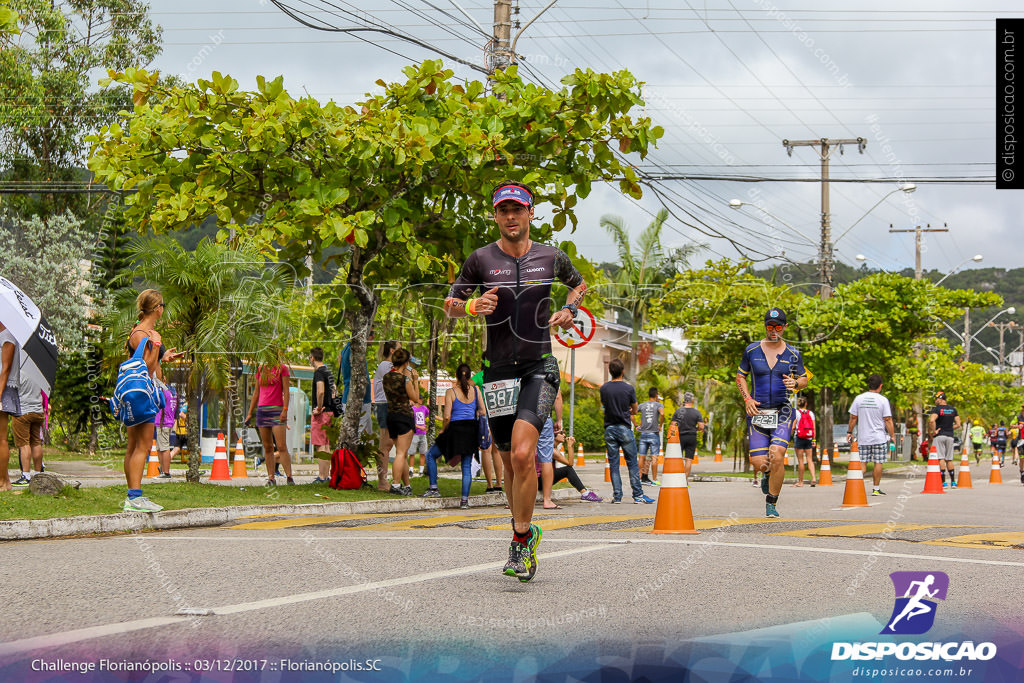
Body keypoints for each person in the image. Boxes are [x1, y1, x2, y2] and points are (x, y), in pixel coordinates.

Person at [444, 179, 586, 582]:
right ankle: (524, 530)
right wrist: (472, 305)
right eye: (503, 210)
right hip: (498, 372)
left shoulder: (551, 257)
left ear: (530, 213)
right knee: (509, 463)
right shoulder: (481, 260)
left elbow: (579, 285)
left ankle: (520, 541)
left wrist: (569, 309)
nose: (511, 217)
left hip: (539, 365)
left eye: (517, 210)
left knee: (524, 455)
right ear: (495, 216)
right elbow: (450, 304)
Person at [736, 307, 810, 518]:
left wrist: (795, 382)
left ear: (785, 327)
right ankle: (767, 475)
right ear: (765, 326)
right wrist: (747, 399)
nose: (774, 330)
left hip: (783, 412)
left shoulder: (794, 354)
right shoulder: (751, 350)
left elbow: (804, 379)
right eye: (770, 326)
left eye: (778, 326)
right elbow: (740, 377)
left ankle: (771, 502)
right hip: (758, 413)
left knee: (777, 455)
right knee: (760, 463)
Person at [122, 290, 183, 511]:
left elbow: (151, 362)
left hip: (138, 393)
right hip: (142, 394)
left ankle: (132, 495)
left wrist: (164, 356)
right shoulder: (141, 334)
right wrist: (156, 346)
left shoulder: (146, 332)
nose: (163, 310)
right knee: (142, 445)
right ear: (157, 308)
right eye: (163, 306)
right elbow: (145, 367)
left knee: (133, 446)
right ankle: (134, 497)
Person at [421, 363, 484, 507]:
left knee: (431, 455)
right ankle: (464, 501)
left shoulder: (451, 392)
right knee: (466, 466)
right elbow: (483, 411)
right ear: (469, 376)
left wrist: (443, 430)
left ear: (456, 375)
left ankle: (433, 487)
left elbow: (447, 416)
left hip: (454, 430)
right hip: (471, 430)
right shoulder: (476, 390)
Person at [601, 358, 654, 505]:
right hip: (624, 427)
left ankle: (617, 496)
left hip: (609, 429)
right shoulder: (628, 389)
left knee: (614, 464)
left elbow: (605, 406)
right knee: (632, 463)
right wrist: (629, 409)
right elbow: (635, 409)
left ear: (610, 371)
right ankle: (638, 495)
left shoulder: (604, 388)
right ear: (623, 371)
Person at [246, 354, 294, 486]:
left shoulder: (282, 369)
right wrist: (250, 413)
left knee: (281, 445)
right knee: (267, 447)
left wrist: (285, 409)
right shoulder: (261, 369)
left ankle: (289, 477)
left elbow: (286, 390)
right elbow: (256, 392)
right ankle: (271, 478)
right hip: (262, 411)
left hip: (277, 410)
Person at [339, 338, 380, 487]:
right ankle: (354, 475)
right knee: (358, 439)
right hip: (358, 400)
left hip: (358, 398)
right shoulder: (354, 350)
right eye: (372, 335)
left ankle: (359, 475)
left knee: (366, 439)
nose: (373, 339)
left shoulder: (347, 348)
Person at [847, 374, 895, 496]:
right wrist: (892, 435)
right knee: (878, 462)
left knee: (862, 463)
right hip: (879, 438)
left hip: (863, 438)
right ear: (880, 386)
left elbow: (853, 417)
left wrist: (849, 432)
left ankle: (855, 488)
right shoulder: (883, 400)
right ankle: (876, 488)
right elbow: (888, 419)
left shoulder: (859, 398)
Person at [382, 348, 420, 496]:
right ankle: (396, 485)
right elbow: (415, 398)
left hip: (391, 416)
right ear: (406, 362)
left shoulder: (386, 377)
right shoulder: (406, 380)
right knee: (401, 453)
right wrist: (415, 381)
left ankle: (406, 485)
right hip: (404, 416)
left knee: (401, 453)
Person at [539, 434, 602, 503]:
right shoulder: (551, 450)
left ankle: (585, 493)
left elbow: (570, 463)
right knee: (568, 470)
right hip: (539, 481)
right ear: (553, 436)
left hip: (543, 479)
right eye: (561, 433)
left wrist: (571, 446)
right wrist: (569, 446)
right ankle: (585, 493)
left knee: (567, 469)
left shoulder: (550, 447)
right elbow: (570, 463)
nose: (564, 435)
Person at [373, 340, 400, 486]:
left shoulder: (391, 366)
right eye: (399, 349)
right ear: (391, 350)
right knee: (385, 444)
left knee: (389, 443)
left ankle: (385, 479)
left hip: (390, 405)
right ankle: (382, 480)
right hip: (384, 405)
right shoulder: (386, 366)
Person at [473, 368, 503, 493]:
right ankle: (497, 483)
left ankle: (492, 484)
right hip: (498, 414)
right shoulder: (499, 373)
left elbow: (466, 385)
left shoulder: (480, 376)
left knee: (487, 450)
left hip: (488, 415)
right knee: (494, 450)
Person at [310, 347, 335, 483]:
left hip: (322, 412)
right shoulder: (328, 372)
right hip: (330, 411)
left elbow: (320, 391)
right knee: (326, 445)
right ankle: (326, 475)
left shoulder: (319, 372)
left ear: (312, 358)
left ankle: (321, 476)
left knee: (320, 445)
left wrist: (319, 408)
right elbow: (334, 391)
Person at [537, 389, 565, 509]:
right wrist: (559, 419)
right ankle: (547, 500)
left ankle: (518, 498)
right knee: (546, 459)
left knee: (525, 457)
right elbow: (557, 397)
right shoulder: (550, 372)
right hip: (543, 416)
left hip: (523, 417)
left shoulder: (522, 371)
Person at [927, 392, 960, 488]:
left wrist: (934, 431)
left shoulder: (937, 409)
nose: (935, 401)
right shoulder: (953, 409)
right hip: (950, 436)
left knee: (941, 458)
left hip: (940, 436)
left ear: (940, 399)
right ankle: (953, 482)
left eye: (936, 399)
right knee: (949, 459)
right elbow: (958, 424)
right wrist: (949, 428)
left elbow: (932, 420)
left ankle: (944, 482)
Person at [668, 391, 705, 478]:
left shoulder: (678, 411)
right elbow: (701, 426)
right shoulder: (696, 412)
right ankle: (685, 480)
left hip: (680, 437)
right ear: (692, 400)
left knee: (678, 458)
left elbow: (673, 425)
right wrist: (696, 428)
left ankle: (677, 479)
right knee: (688, 459)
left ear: (684, 400)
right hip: (691, 436)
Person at [637, 387, 664, 486]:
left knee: (641, 457)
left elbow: (632, 412)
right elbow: (662, 414)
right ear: (656, 395)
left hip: (643, 433)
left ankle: (639, 478)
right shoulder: (658, 405)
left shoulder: (642, 405)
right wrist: (660, 425)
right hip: (654, 433)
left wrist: (637, 425)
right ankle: (654, 479)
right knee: (654, 458)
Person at [154, 384, 177, 478]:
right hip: (166, 421)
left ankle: (166, 472)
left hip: (163, 422)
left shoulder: (163, 391)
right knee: (160, 448)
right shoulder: (173, 392)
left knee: (164, 448)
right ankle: (162, 469)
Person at [792, 396, 817, 487]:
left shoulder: (796, 413)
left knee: (801, 460)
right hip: (809, 438)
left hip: (799, 438)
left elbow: (793, 426)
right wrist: (814, 439)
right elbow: (813, 427)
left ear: (798, 404)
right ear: (806, 404)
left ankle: (801, 482)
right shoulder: (811, 413)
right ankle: (813, 478)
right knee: (809, 460)